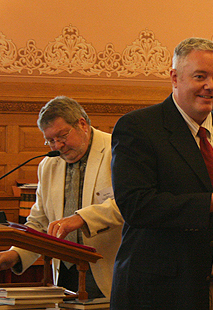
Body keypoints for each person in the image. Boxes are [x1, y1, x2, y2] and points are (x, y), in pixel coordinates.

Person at [110, 37, 213, 310]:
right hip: (162, 291)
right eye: (199, 76)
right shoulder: (139, 128)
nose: (210, 86)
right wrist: (211, 203)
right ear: (174, 77)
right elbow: (136, 205)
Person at [0, 96, 123, 299]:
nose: (57, 146)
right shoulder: (48, 166)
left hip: (107, 268)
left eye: (62, 136)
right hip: (64, 270)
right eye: (50, 140)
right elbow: (39, 224)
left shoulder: (117, 150)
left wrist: (81, 218)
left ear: (82, 124)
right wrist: (13, 256)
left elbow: (126, 204)